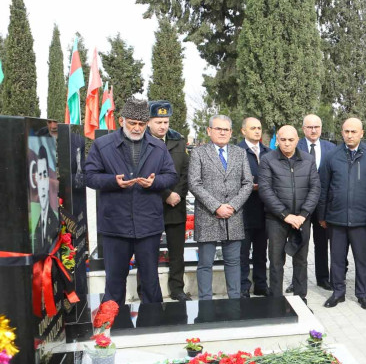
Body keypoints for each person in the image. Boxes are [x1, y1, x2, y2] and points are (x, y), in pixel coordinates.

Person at [85, 97, 178, 305]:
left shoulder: (158, 147)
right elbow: (89, 176)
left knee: (150, 281)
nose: (137, 128)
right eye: (132, 123)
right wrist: (113, 181)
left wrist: (154, 183)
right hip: (115, 226)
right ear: (121, 121)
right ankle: (113, 329)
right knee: (115, 282)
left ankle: (152, 326)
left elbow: (171, 176)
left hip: (148, 225)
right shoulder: (102, 145)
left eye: (141, 124)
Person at [318, 117, 366, 309]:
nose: (350, 135)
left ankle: (363, 294)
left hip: (362, 219)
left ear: (361, 133)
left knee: (362, 259)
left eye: (354, 131)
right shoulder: (331, 156)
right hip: (336, 218)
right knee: (337, 259)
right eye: (346, 131)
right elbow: (324, 187)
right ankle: (338, 292)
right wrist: (322, 215)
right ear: (342, 133)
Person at [188, 115, 253, 300]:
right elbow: (194, 183)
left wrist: (232, 205)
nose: (222, 132)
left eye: (226, 129)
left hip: (233, 216)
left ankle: (234, 301)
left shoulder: (239, 153)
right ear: (209, 131)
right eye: (218, 129)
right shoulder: (198, 153)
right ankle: (206, 303)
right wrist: (216, 206)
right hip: (208, 216)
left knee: (233, 263)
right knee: (205, 263)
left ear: (231, 132)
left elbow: (248, 183)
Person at [258, 125, 320, 302]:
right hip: (276, 219)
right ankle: (276, 300)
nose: (286, 143)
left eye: (290, 140)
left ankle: (301, 298)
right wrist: (285, 215)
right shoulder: (268, 159)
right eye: (283, 140)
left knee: (301, 260)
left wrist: (303, 214)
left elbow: (315, 188)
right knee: (276, 261)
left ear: (297, 140)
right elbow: (265, 190)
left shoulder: (308, 160)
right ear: (277, 140)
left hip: (302, 219)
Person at [141, 100, 191, 301]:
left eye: (166, 122)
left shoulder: (178, 140)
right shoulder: (140, 141)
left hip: (175, 206)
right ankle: (147, 291)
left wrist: (177, 194)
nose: (163, 126)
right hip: (150, 204)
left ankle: (177, 289)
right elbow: (142, 173)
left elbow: (186, 171)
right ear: (148, 122)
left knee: (177, 251)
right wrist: (166, 194)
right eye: (158, 122)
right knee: (147, 253)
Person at [297, 114, 336, 291]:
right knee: (300, 244)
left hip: (323, 205)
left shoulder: (331, 148)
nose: (313, 130)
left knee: (322, 243)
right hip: (301, 205)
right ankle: (297, 280)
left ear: (321, 128)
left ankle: (323, 278)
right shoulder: (295, 146)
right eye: (310, 127)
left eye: (317, 127)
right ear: (303, 128)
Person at [237, 117, 270, 297]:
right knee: (243, 253)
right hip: (243, 211)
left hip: (264, 210)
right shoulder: (237, 152)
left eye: (259, 128)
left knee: (260, 252)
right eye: (253, 128)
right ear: (243, 131)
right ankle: (243, 287)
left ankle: (261, 285)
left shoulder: (268, 152)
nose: (257, 131)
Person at [32, 145, 59, 253]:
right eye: (39, 176)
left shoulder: (54, 220)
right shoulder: (35, 220)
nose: (42, 184)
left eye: (44, 176)